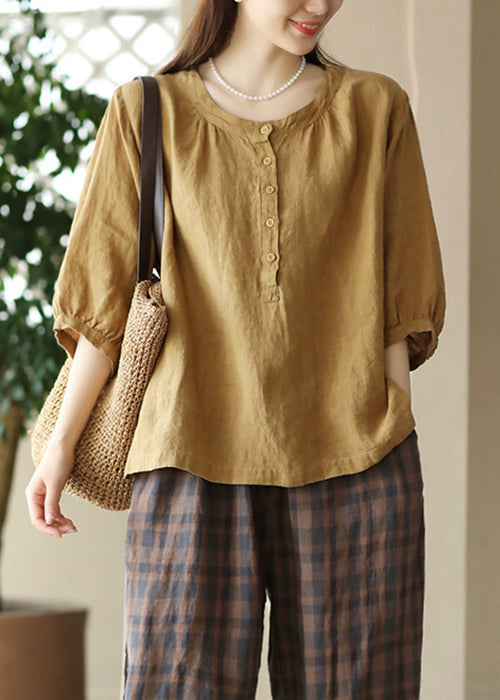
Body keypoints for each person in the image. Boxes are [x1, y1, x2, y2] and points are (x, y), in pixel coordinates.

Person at [25, 0, 446, 697]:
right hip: (188, 459)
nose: (321, 4)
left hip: (356, 461)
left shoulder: (376, 109)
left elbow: (399, 312)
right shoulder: (146, 110)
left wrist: (389, 422)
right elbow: (105, 307)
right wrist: (61, 447)